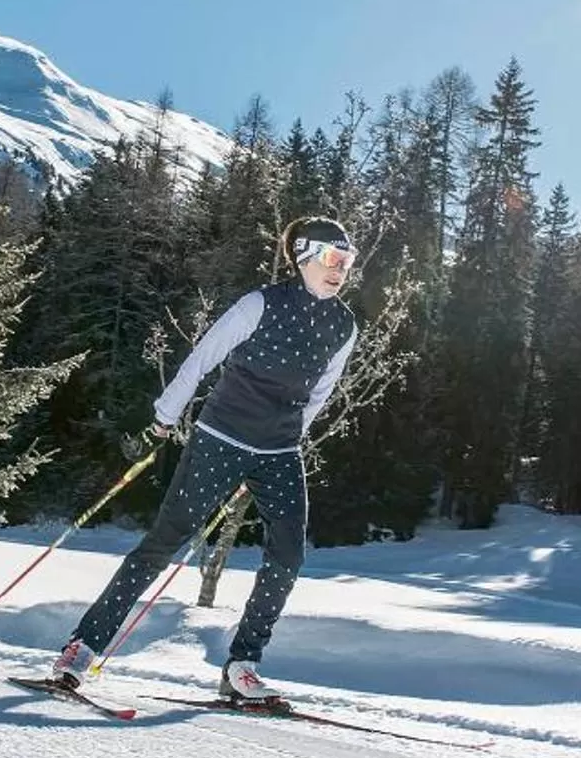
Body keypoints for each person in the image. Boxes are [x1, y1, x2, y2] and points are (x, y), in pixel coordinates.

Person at [48, 215, 358, 701]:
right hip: (220, 437)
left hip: (279, 449)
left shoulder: (344, 325)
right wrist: (165, 416)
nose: (341, 269)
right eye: (333, 258)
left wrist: (286, 436)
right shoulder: (260, 304)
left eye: (348, 261)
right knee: (163, 542)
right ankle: (82, 649)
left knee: (289, 553)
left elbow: (321, 391)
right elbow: (202, 358)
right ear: (303, 256)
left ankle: (242, 666)